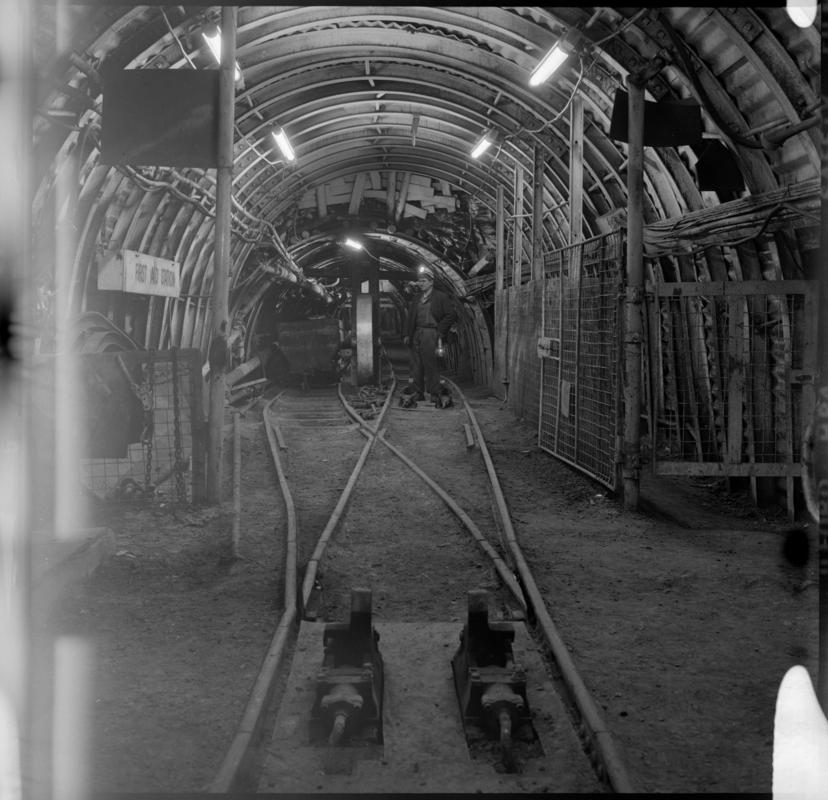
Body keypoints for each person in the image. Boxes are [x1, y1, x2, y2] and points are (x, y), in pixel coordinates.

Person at [403, 264, 457, 403]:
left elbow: (451, 315)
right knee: (416, 365)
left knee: (430, 364)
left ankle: (434, 393)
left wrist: (439, 331)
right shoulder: (417, 298)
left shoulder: (441, 297)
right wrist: (407, 334)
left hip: (430, 333)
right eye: (419, 281)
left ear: (431, 282)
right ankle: (417, 392)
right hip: (417, 333)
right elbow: (410, 317)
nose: (421, 284)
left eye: (424, 281)